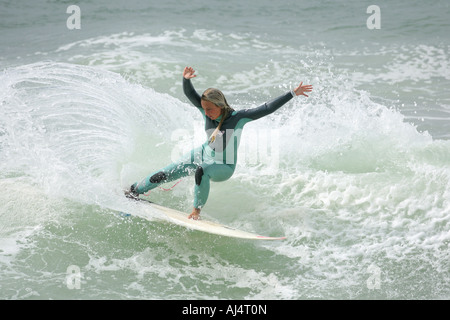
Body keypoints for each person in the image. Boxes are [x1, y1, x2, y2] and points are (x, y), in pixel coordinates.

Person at [126, 66, 312, 220]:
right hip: (202, 153)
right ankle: (135, 190)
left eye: (210, 109)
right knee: (165, 173)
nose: (206, 113)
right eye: (204, 109)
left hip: (224, 165)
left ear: (220, 106)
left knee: (202, 171)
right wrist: (186, 79)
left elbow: (266, 108)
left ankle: (196, 211)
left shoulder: (238, 118)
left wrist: (292, 93)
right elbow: (190, 94)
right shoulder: (205, 108)